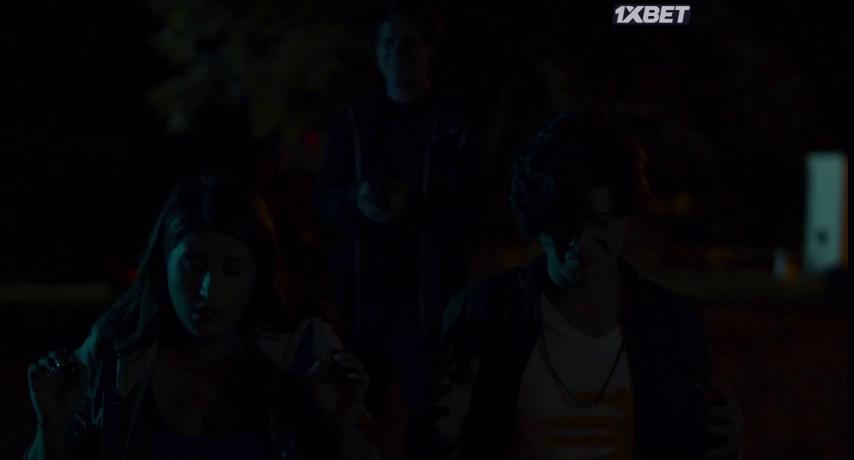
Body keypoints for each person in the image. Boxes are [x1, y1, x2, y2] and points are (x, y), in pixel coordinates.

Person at [426, 112, 744, 459]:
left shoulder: (673, 327)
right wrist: (442, 437)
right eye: (565, 221)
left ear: (625, 219)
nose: (581, 240)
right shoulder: (483, 315)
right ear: (538, 220)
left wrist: (727, 448)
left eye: (599, 222)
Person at [25, 176, 381, 460]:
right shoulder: (113, 353)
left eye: (233, 270)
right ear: (164, 263)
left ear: (258, 273)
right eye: (193, 267)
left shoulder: (304, 352)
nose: (209, 291)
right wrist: (51, 428)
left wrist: (343, 421)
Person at [315, 0, 482, 441]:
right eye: (388, 42)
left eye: (409, 43)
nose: (396, 53)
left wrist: (414, 206)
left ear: (430, 50)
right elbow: (324, 201)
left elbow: (473, 209)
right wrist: (358, 201)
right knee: (355, 424)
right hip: (362, 304)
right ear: (377, 50)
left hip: (426, 305)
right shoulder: (355, 121)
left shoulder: (453, 126)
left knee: (429, 425)